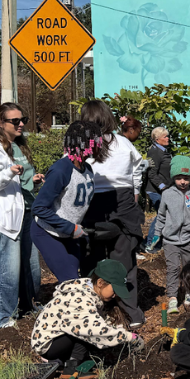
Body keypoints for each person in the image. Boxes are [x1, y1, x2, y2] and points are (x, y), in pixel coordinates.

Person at [79, 101, 146, 329]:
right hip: (123, 202)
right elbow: (138, 169)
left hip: (92, 202)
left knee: (92, 259)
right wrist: (134, 196)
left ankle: (92, 309)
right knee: (124, 260)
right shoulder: (123, 142)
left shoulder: (83, 144)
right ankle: (131, 313)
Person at [0, 102, 44, 329]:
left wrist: (32, 181)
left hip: (24, 212)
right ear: (0, 123)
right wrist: (8, 173)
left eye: (23, 120)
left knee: (30, 266)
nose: (21, 124)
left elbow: (18, 183)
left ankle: (28, 306)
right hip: (3, 217)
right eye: (15, 121)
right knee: (6, 269)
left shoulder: (18, 146)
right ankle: (0, 318)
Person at [31, 258, 144, 371]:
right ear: (100, 283)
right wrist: (129, 337)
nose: (115, 295)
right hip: (49, 345)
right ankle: (71, 366)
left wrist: (119, 330)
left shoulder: (90, 291)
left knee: (90, 333)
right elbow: (93, 329)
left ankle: (65, 359)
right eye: (114, 290)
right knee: (87, 331)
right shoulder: (80, 299)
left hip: (59, 337)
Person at [31, 120, 108, 283]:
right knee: (71, 282)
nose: (100, 146)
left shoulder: (87, 169)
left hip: (70, 235)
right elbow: (39, 208)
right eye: (97, 142)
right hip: (47, 233)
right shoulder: (61, 170)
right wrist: (70, 227)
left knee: (75, 280)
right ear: (84, 143)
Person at [146, 155, 190, 314]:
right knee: (172, 268)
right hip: (170, 240)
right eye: (178, 178)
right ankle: (172, 297)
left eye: (186, 178)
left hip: (189, 239)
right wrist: (157, 234)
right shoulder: (167, 194)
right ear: (173, 177)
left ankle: (189, 293)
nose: (183, 182)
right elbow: (161, 217)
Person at [144, 126, 172, 248]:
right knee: (162, 214)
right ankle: (150, 243)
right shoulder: (154, 152)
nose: (168, 138)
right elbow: (151, 173)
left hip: (163, 189)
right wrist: (163, 187)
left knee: (165, 214)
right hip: (155, 190)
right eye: (165, 137)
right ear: (157, 139)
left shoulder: (164, 151)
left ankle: (159, 241)